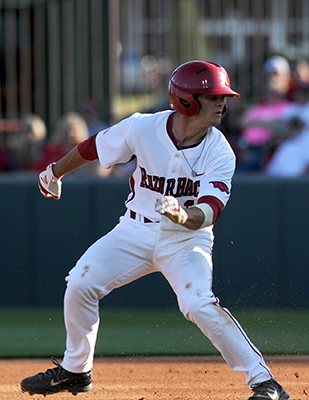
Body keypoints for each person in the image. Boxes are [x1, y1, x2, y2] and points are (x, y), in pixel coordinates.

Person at [21, 60, 289, 400]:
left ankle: (265, 383)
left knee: (197, 304)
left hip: (186, 239)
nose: (223, 103)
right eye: (213, 96)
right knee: (80, 283)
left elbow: (209, 210)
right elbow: (93, 148)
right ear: (187, 100)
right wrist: (55, 172)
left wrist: (183, 215)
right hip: (133, 231)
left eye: (223, 96)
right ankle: (76, 370)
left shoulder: (221, 151)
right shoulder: (143, 128)